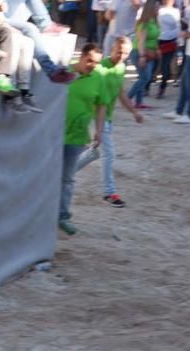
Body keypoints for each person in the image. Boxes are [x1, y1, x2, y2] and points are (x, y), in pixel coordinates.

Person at [75, 36, 143, 208]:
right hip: (95, 117)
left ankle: (63, 175)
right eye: (119, 51)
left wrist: (134, 112)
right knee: (109, 153)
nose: (122, 55)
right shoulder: (99, 67)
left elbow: (121, 94)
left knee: (94, 153)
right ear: (112, 49)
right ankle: (109, 192)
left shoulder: (121, 68)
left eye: (126, 53)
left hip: (107, 118)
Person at [57, 43, 106, 235]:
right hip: (53, 134)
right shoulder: (64, 72)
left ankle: (63, 216)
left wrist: (99, 130)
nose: (92, 65)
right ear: (82, 56)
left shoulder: (97, 78)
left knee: (67, 178)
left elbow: (101, 104)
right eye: (90, 60)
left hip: (76, 136)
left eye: (96, 63)